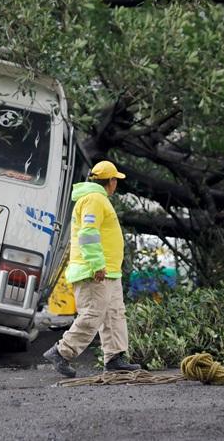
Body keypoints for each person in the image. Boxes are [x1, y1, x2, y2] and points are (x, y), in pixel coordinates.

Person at [43, 160, 141, 377]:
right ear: (112, 181)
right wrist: (97, 264)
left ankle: (115, 358)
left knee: (114, 314)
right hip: (95, 271)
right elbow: (88, 234)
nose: (117, 184)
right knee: (93, 314)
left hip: (109, 272)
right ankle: (61, 352)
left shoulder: (98, 199)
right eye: (116, 180)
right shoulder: (95, 199)